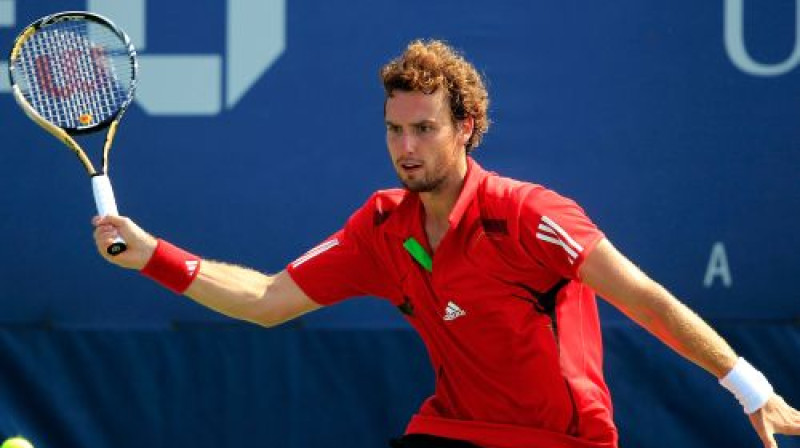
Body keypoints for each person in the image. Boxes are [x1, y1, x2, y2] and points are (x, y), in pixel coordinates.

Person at [92, 40, 800, 448]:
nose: (407, 147)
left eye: (424, 129)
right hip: (454, 432)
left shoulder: (528, 216)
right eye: (395, 130)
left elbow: (643, 298)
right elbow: (268, 300)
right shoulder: (381, 228)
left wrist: (749, 387)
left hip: (561, 442)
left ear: (466, 127)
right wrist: (152, 255)